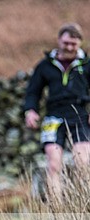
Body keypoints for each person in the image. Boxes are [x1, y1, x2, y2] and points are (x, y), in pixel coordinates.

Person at [23, 22, 90, 199]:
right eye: (66, 43)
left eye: (73, 44)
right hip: (53, 117)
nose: (69, 47)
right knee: (53, 164)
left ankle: (82, 205)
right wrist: (30, 110)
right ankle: (57, 208)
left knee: (83, 162)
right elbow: (33, 92)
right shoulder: (45, 66)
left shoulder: (87, 64)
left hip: (80, 116)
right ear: (59, 40)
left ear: (80, 43)